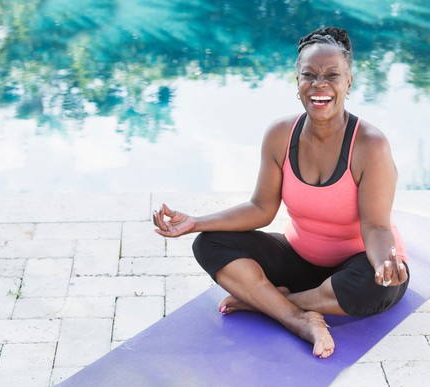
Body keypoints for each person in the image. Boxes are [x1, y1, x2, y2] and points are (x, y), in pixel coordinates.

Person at [153, 26, 409, 359]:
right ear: (297, 82)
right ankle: (300, 318)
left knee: (374, 288)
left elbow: (375, 226)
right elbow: (261, 208)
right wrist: (197, 222)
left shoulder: (369, 145)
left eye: (332, 75)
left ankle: (266, 303)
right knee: (209, 243)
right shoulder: (279, 135)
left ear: (348, 81)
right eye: (309, 75)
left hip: (359, 264)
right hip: (298, 259)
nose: (319, 85)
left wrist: (383, 264)